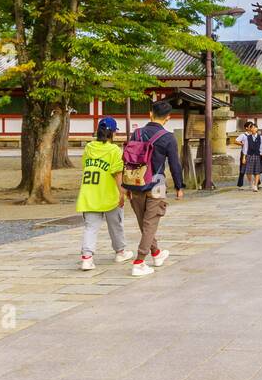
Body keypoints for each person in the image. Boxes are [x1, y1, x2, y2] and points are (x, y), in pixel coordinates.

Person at [122, 99, 184, 277]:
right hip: (157, 184)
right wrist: (179, 186)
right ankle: (140, 261)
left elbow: (127, 159)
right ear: (168, 118)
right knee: (151, 222)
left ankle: (156, 253)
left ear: (150, 114)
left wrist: (125, 185)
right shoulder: (168, 137)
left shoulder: (137, 134)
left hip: (135, 183)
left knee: (145, 222)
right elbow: (174, 164)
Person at [76, 117, 133, 270]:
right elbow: (117, 173)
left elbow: (85, 166)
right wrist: (123, 193)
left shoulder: (88, 148)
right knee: (115, 225)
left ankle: (87, 258)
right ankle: (120, 252)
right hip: (108, 193)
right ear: (112, 133)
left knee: (90, 227)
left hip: (89, 192)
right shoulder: (114, 150)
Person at [236, 120, 256, 187]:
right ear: (246, 128)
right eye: (250, 126)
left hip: (252, 153)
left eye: (252, 126)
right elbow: (236, 141)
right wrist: (243, 144)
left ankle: (256, 183)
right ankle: (240, 185)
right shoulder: (243, 135)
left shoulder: (254, 134)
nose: (252, 127)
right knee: (242, 169)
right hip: (244, 153)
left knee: (254, 168)